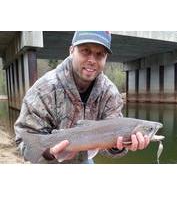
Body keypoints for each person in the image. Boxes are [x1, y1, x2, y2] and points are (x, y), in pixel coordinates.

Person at [14, 31, 150, 164]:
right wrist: (49, 153)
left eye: (100, 54)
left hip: (84, 160)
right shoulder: (43, 89)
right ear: (71, 50)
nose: (92, 60)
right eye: (85, 51)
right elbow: (23, 142)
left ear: (106, 58)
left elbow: (106, 150)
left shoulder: (110, 93)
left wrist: (116, 146)